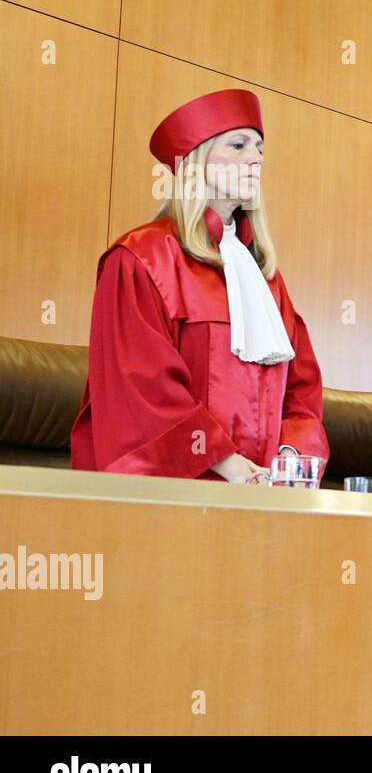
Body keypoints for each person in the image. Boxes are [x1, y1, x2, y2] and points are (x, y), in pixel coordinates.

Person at [71, 89, 327, 483]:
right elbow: (142, 393)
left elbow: (302, 389)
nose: (256, 158)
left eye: (260, 148)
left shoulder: (266, 277)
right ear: (195, 161)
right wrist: (230, 465)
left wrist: (288, 460)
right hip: (180, 491)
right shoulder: (141, 259)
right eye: (239, 145)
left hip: (264, 490)